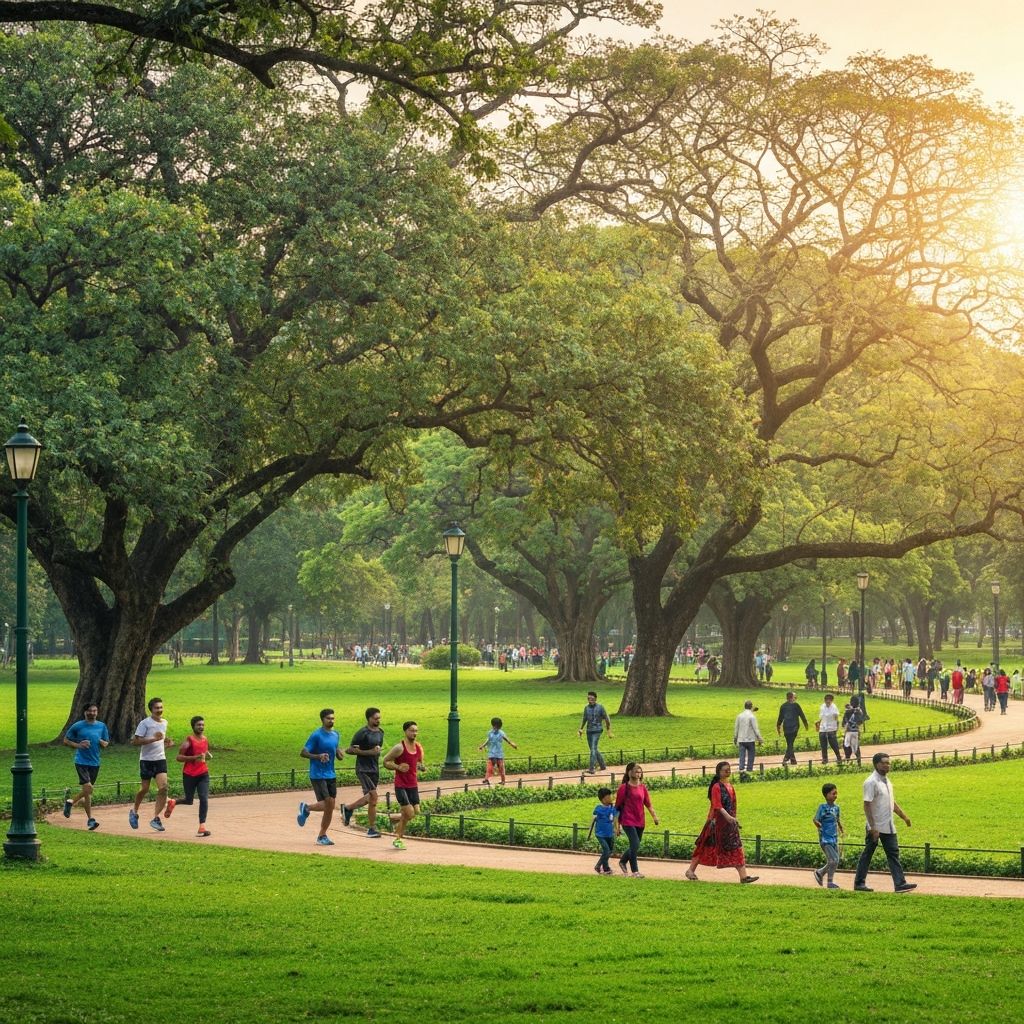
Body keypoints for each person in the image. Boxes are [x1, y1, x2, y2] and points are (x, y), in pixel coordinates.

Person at [853, 752, 916, 893]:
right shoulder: (871, 782)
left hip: (888, 825)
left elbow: (890, 802)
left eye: (888, 762)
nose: (888, 765)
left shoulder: (887, 782)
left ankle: (900, 884)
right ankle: (859, 883)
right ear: (876, 764)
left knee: (893, 853)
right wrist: (873, 827)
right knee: (867, 854)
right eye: (884, 763)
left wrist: (903, 816)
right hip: (875, 826)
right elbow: (867, 805)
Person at [685, 761, 757, 883]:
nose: (728, 771)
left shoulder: (730, 786)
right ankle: (690, 870)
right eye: (725, 770)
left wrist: (733, 819)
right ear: (719, 772)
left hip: (728, 823)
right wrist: (729, 817)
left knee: (736, 847)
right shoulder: (716, 787)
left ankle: (743, 876)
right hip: (716, 822)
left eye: (729, 769)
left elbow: (733, 805)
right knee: (704, 847)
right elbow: (717, 806)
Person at [297, 708, 345, 846]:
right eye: (329, 718)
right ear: (322, 720)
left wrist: (340, 753)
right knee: (326, 804)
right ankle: (306, 808)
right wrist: (318, 756)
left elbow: (336, 752)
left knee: (330, 806)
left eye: (333, 718)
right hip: (317, 774)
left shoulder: (336, 734)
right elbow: (303, 752)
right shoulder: (316, 735)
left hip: (331, 773)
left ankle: (322, 835)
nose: (331, 720)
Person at [130, 696, 176, 832]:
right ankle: (134, 811)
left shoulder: (164, 722)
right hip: (146, 760)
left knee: (163, 788)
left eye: (161, 707)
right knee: (144, 789)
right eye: (157, 708)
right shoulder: (145, 723)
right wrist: (153, 739)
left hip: (160, 759)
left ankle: (156, 818)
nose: (159, 710)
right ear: (151, 709)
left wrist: (167, 743)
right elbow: (135, 741)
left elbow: (160, 740)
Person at [62, 701, 110, 830]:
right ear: (85, 712)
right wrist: (78, 745)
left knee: (87, 793)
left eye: (94, 711)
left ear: (97, 712)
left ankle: (90, 820)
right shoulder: (78, 726)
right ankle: (71, 802)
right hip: (81, 761)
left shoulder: (101, 726)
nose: (92, 713)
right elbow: (66, 740)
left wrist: (101, 742)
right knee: (88, 788)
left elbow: (106, 743)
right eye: (90, 711)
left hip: (95, 762)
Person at [342, 707, 385, 837]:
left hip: (374, 769)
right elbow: (350, 750)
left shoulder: (380, 732)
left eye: (379, 718)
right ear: (369, 718)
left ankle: (348, 809)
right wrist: (368, 752)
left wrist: (376, 752)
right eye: (376, 718)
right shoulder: (362, 733)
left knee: (369, 799)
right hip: (363, 769)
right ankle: (371, 829)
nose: (378, 720)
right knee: (374, 797)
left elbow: (377, 750)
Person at [383, 721, 424, 850]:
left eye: (416, 731)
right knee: (410, 814)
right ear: (405, 731)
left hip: (413, 784)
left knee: (416, 812)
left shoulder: (418, 747)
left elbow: (419, 763)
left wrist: (421, 767)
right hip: (401, 785)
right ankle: (398, 836)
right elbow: (385, 761)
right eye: (412, 730)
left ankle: (397, 831)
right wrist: (398, 767)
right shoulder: (399, 748)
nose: (414, 733)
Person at [614, 762, 659, 878]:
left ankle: (623, 861)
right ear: (629, 773)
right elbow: (617, 807)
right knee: (634, 844)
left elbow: (648, 804)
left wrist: (654, 816)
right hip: (627, 820)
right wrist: (617, 826)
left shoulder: (643, 787)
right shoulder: (624, 788)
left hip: (640, 820)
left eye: (640, 772)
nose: (638, 774)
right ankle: (635, 871)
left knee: (636, 845)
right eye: (636, 771)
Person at [176, 715, 212, 837]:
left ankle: (202, 826)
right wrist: (193, 758)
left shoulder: (205, 739)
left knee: (204, 798)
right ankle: (172, 802)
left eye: (202, 725)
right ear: (193, 727)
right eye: (198, 725)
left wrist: (208, 755)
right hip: (189, 774)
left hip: (203, 773)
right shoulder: (188, 741)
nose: (201, 727)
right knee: (188, 800)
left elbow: (204, 751)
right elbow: (179, 757)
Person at [812, 783, 845, 889]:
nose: (835, 795)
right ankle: (823, 875)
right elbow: (815, 819)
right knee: (834, 859)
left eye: (836, 793)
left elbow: (837, 819)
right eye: (833, 793)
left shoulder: (837, 808)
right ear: (826, 795)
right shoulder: (822, 807)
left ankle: (825, 877)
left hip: (834, 837)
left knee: (835, 860)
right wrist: (818, 825)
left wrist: (841, 828)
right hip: (825, 838)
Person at [578, 691, 612, 774]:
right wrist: (581, 729)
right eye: (588, 699)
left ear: (595, 699)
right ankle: (602, 765)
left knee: (593, 748)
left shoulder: (600, 707)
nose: (590, 700)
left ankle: (591, 768)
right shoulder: (586, 708)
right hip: (589, 730)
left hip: (597, 730)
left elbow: (607, 719)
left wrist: (608, 730)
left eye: (592, 699)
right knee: (593, 749)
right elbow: (584, 718)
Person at [478, 716, 518, 786]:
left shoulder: (501, 733)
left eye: (498, 726)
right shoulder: (490, 733)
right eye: (496, 726)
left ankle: (503, 781)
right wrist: (483, 746)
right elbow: (488, 740)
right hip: (492, 753)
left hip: (499, 754)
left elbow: (506, 739)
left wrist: (512, 744)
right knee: (489, 767)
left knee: (501, 768)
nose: (497, 728)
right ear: (493, 725)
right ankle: (486, 779)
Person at [590, 787, 618, 875]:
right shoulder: (598, 808)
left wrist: (617, 829)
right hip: (600, 834)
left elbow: (615, 819)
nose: (610, 798)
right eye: (608, 797)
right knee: (606, 851)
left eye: (610, 796)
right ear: (603, 799)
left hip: (610, 833)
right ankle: (598, 866)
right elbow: (593, 817)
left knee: (609, 851)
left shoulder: (613, 808)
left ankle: (606, 868)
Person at [776, 692, 809, 765]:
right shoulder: (796, 705)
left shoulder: (783, 706)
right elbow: (802, 715)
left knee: (789, 743)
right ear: (792, 698)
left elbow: (780, 718)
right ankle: (788, 759)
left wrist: (778, 726)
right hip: (794, 727)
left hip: (786, 727)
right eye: (795, 697)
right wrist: (806, 724)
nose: (795, 699)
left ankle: (791, 760)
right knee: (790, 743)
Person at [733, 700, 762, 780]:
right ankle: (749, 769)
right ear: (751, 706)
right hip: (750, 739)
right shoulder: (752, 716)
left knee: (741, 755)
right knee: (751, 755)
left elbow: (736, 728)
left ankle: (741, 769)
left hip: (741, 739)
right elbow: (756, 728)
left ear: (744, 706)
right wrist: (760, 739)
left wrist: (735, 738)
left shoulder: (739, 716)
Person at [816, 692, 842, 764]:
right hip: (822, 728)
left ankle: (838, 757)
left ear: (831, 701)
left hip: (831, 728)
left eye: (829, 700)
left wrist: (836, 727)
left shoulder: (834, 707)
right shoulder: (822, 707)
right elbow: (821, 717)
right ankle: (825, 759)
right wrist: (818, 724)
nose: (827, 701)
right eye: (826, 700)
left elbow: (836, 718)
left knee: (834, 744)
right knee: (823, 745)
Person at [841, 696, 865, 764]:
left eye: (853, 702)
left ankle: (854, 761)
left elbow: (844, 722)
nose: (852, 703)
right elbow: (844, 722)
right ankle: (854, 761)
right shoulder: (858, 710)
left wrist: (848, 709)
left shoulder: (856, 710)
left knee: (852, 746)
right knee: (849, 746)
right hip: (851, 731)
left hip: (851, 731)